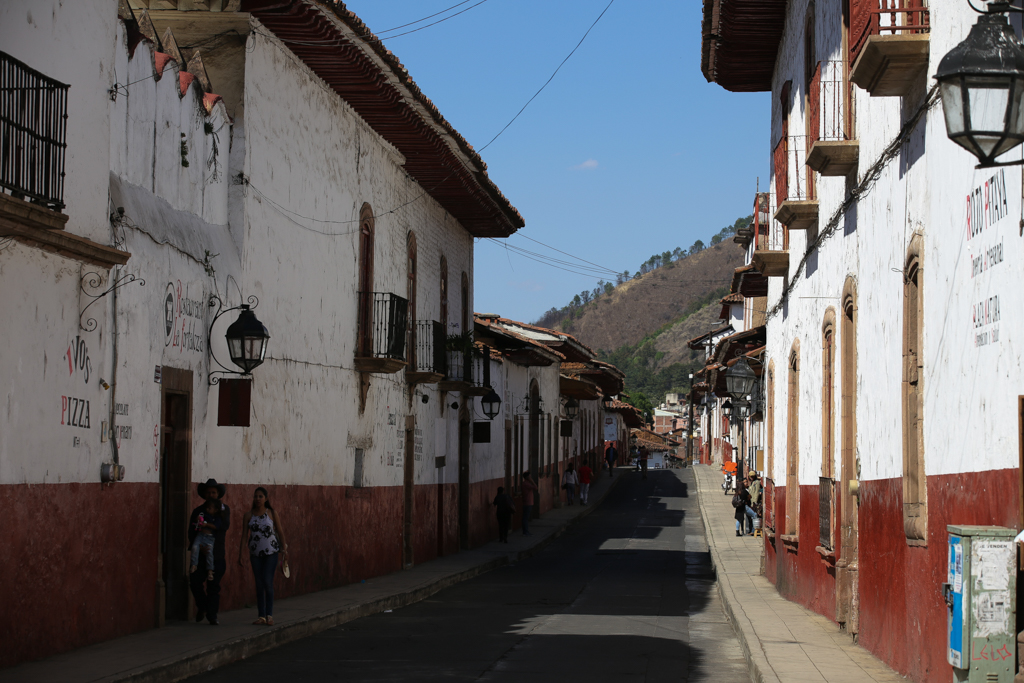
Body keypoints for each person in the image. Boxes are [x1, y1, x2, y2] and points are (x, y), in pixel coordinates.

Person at [238, 487, 289, 626]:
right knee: (259, 584)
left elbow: (280, 531)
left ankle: (269, 615)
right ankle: (261, 616)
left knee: (267, 581)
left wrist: (284, 550)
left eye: (260, 496)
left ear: (266, 498)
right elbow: (244, 536)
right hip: (255, 554)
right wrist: (241, 553)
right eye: (256, 496)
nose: (258, 499)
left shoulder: (272, 513)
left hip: (271, 552)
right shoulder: (248, 515)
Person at [188, 478, 230, 626]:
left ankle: (212, 615)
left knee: (213, 586)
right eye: (208, 493)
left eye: (213, 492)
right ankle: (203, 606)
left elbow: (223, 527)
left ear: (218, 494)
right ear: (204, 495)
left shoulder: (224, 511)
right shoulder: (198, 511)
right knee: (194, 581)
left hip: (216, 554)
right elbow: (192, 531)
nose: (211, 495)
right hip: (200, 554)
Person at [189, 498, 222, 581]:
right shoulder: (204, 514)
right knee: (194, 547)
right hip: (200, 535)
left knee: (209, 553)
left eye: (210, 508)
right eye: (207, 508)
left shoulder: (217, 518)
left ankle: (210, 570)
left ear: (215, 510)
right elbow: (198, 518)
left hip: (209, 538)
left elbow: (215, 526)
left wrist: (206, 525)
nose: (207, 509)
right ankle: (194, 564)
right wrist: (198, 519)